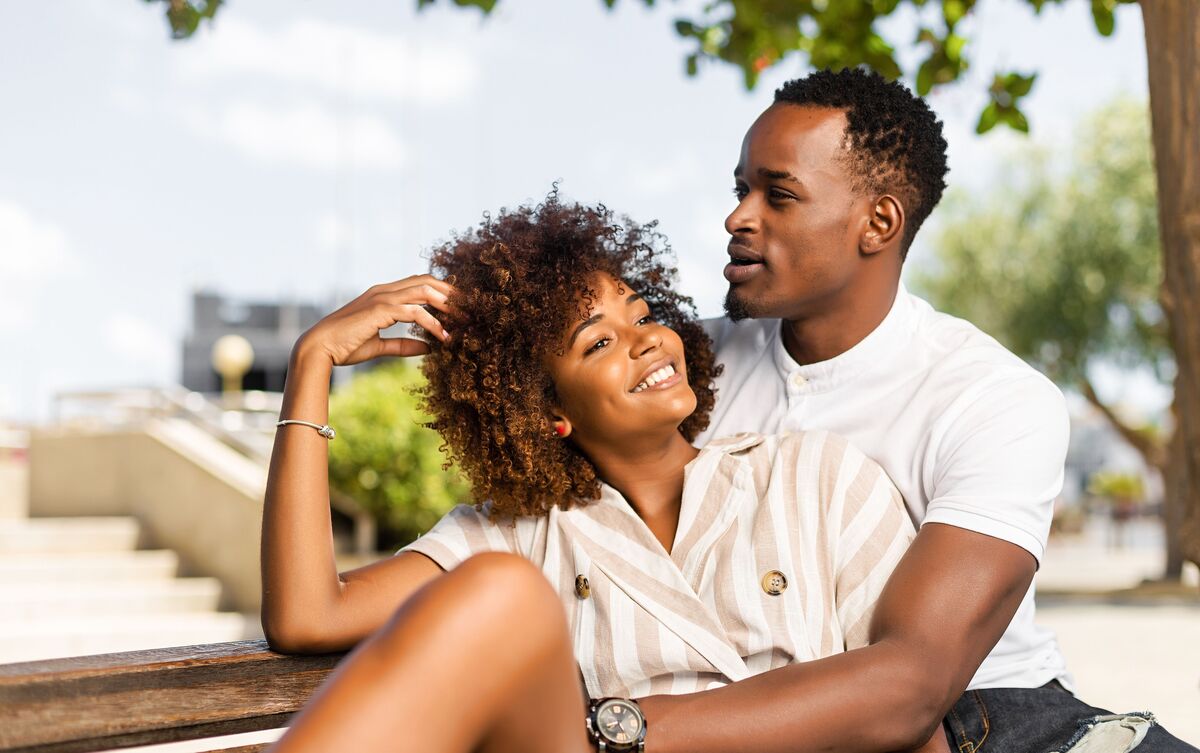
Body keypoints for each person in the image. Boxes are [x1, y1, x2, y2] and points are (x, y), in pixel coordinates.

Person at [260, 196, 934, 753]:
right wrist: (311, 361)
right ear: (549, 411)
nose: (647, 338)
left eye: (642, 314)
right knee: (503, 589)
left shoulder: (815, 476)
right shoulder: (518, 535)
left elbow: (907, 710)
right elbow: (309, 615)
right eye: (600, 341)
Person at [650, 67, 1191, 752]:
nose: (738, 217)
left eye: (778, 195)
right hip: (745, 709)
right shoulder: (678, 368)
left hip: (991, 714)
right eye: (741, 189)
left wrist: (620, 727)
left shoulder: (992, 398)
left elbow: (909, 683)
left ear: (879, 222)